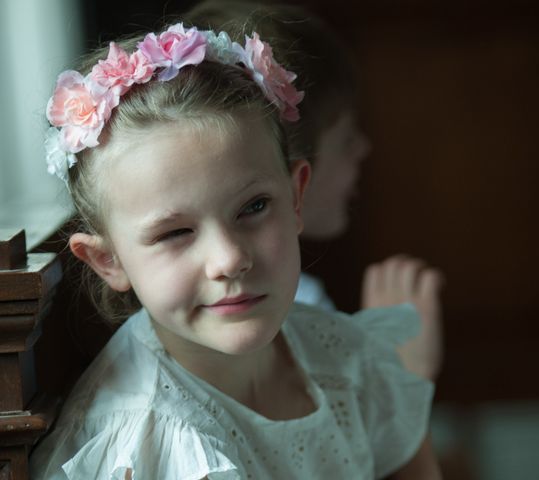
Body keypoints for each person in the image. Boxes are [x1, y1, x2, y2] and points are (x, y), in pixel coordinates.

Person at [29, 23, 441, 478]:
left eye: (254, 207)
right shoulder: (146, 446)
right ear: (109, 260)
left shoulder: (347, 359)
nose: (228, 259)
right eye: (175, 233)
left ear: (296, 197)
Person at [184, 1, 444, 380]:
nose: (364, 148)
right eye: (346, 138)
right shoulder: (285, 312)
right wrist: (404, 371)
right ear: (295, 173)